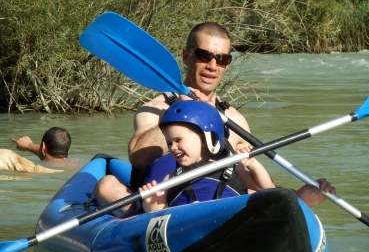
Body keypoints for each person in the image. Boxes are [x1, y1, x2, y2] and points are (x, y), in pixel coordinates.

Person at [94, 21, 335, 218]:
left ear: (227, 65)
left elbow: (251, 175)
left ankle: (295, 202)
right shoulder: (155, 108)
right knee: (106, 186)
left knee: (258, 190)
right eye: (204, 55)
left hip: (220, 198)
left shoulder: (232, 118)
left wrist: (290, 195)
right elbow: (139, 157)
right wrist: (183, 108)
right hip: (160, 203)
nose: (212, 65)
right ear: (187, 56)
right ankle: (139, 222)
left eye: (222, 59)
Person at [138, 100, 276, 212]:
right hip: (187, 225)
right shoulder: (172, 177)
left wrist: (253, 165)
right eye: (169, 143)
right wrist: (150, 202)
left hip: (231, 220)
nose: (173, 147)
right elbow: (155, 210)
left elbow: (266, 188)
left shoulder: (229, 167)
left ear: (206, 140)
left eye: (178, 140)